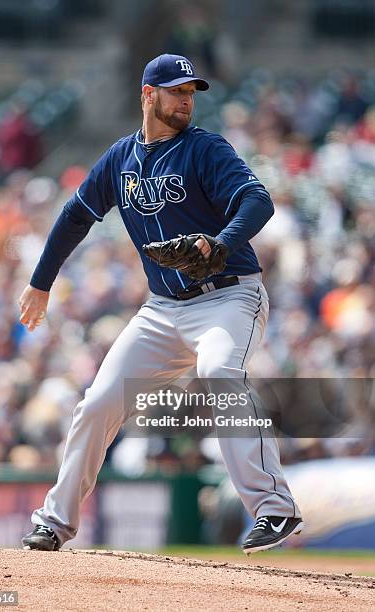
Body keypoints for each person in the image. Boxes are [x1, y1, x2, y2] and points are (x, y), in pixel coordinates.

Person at [19, 54, 302, 555]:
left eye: (191, 92)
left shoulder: (205, 149)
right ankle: (53, 524)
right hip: (162, 309)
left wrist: (217, 244)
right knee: (99, 402)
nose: (186, 100)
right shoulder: (120, 159)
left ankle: (275, 509)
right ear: (148, 95)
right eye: (177, 91)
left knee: (219, 370)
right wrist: (41, 284)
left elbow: (257, 202)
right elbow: (74, 217)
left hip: (230, 297)